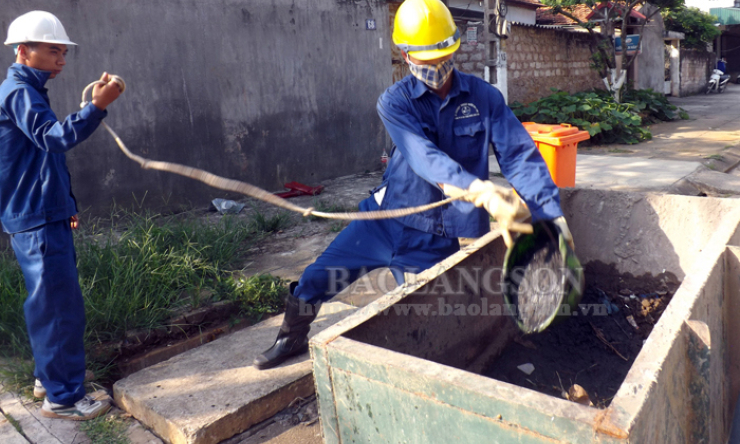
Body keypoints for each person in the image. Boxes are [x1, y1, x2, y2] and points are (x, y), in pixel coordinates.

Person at [253, 0, 572, 370]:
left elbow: (519, 155)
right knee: (315, 279)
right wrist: (479, 190)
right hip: (383, 221)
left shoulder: (484, 99)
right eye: (426, 61)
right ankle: (290, 338)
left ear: (454, 49)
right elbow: (423, 156)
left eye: (444, 57)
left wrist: (551, 215)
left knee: (429, 316)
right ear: (404, 54)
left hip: (435, 237)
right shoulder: (395, 102)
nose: (437, 69)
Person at [1, 10, 122, 420]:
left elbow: (41, 161)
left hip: (41, 212)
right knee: (57, 307)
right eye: (54, 51)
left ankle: (48, 377)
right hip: (36, 216)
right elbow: (54, 139)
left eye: (63, 53)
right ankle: (64, 398)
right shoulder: (19, 92)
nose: (62, 60)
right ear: (23, 50)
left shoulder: (27, 90)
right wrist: (96, 107)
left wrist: (65, 207)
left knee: (50, 302)